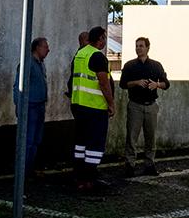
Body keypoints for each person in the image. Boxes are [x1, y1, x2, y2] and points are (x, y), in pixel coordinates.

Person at [69, 26, 114, 191]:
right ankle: (90, 179)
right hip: (95, 107)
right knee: (95, 144)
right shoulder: (98, 56)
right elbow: (103, 83)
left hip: (78, 105)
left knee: (81, 142)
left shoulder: (80, 54)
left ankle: (79, 177)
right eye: (104, 38)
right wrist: (111, 103)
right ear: (100, 39)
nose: (105, 41)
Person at [120, 37, 169, 175]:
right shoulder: (130, 65)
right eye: (137, 46)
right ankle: (130, 165)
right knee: (131, 137)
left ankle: (149, 165)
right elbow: (123, 84)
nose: (138, 48)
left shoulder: (156, 65)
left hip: (151, 105)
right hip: (135, 105)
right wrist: (136, 82)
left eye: (141, 46)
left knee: (150, 137)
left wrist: (156, 84)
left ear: (147, 48)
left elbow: (166, 84)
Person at [15, 37, 50, 175]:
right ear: (37, 48)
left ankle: (29, 168)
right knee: (28, 140)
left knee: (36, 139)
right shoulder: (28, 63)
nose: (48, 50)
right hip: (30, 106)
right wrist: (19, 105)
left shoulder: (40, 64)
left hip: (39, 105)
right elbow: (18, 86)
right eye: (45, 47)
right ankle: (23, 170)